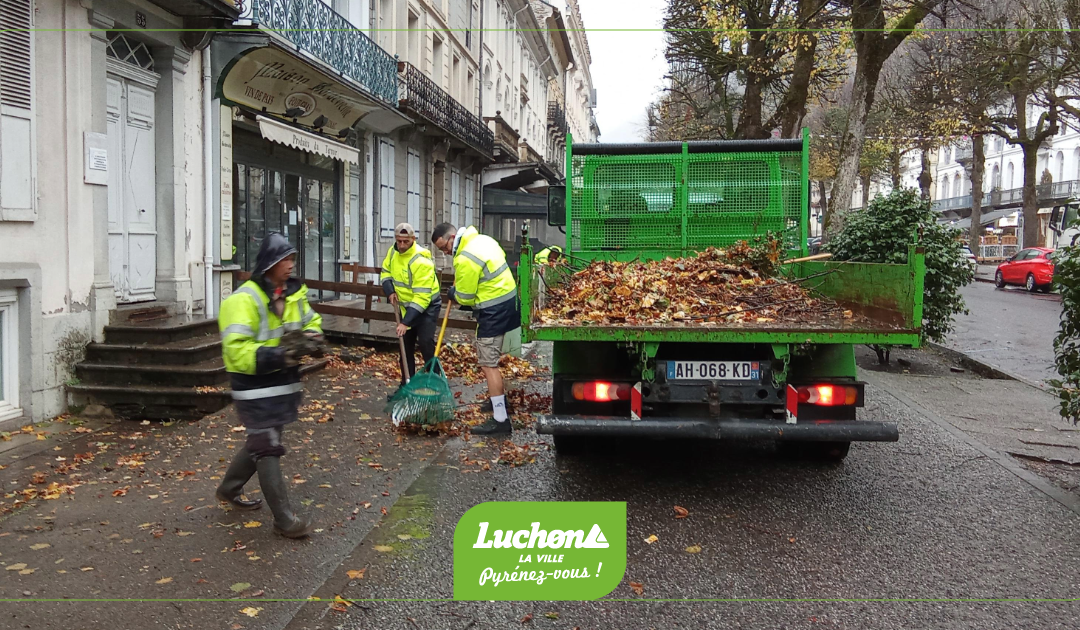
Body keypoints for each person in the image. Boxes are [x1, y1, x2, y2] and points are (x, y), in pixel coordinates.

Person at [216, 233, 324, 539]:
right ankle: (284, 520)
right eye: (285, 260)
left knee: (262, 441)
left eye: (292, 259)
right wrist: (279, 354)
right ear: (270, 264)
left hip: (282, 383)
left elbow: (310, 321)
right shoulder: (242, 300)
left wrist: (313, 338)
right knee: (267, 447)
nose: (291, 266)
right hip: (254, 386)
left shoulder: (293, 294)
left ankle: (229, 488)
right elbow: (235, 351)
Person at [431, 223, 521, 435]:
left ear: (453, 236)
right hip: (509, 300)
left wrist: (454, 294)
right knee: (491, 361)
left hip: (493, 309)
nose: (446, 253)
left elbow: (466, 297)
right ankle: (496, 400)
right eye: (441, 251)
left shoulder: (465, 258)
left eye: (445, 247)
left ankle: (501, 420)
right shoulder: (483, 239)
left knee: (488, 364)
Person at [379, 223, 442, 381]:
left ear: (413, 239)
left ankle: (434, 380)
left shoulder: (421, 260)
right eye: (398, 241)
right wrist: (390, 291)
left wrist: (405, 323)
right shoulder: (393, 252)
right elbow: (385, 271)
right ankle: (407, 383)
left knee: (425, 343)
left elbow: (422, 297)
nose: (401, 245)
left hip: (427, 307)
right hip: (406, 306)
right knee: (405, 346)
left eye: (405, 242)